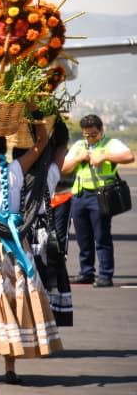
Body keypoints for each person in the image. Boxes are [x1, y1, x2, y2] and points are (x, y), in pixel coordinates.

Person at [0, 124, 59, 385]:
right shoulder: (16, 170)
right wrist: (38, 117)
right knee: (13, 302)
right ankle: (10, 367)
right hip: (12, 247)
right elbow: (42, 142)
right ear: (4, 149)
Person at [61, 114, 135, 288]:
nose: (90, 138)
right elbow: (64, 168)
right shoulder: (79, 146)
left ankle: (105, 274)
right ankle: (86, 272)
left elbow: (129, 157)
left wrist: (105, 157)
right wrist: (79, 158)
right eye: (86, 135)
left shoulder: (110, 144)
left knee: (102, 237)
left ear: (101, 130)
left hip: (100, 196)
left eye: (93, 134)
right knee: (83, 238)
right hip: (79, 196)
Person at [33, 119, 74, 326]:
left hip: (19, 234)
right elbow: (60, 150)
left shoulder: (12, 173)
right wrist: (53, 124)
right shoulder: (50, 174)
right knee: (44, 277)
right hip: (41, 231)